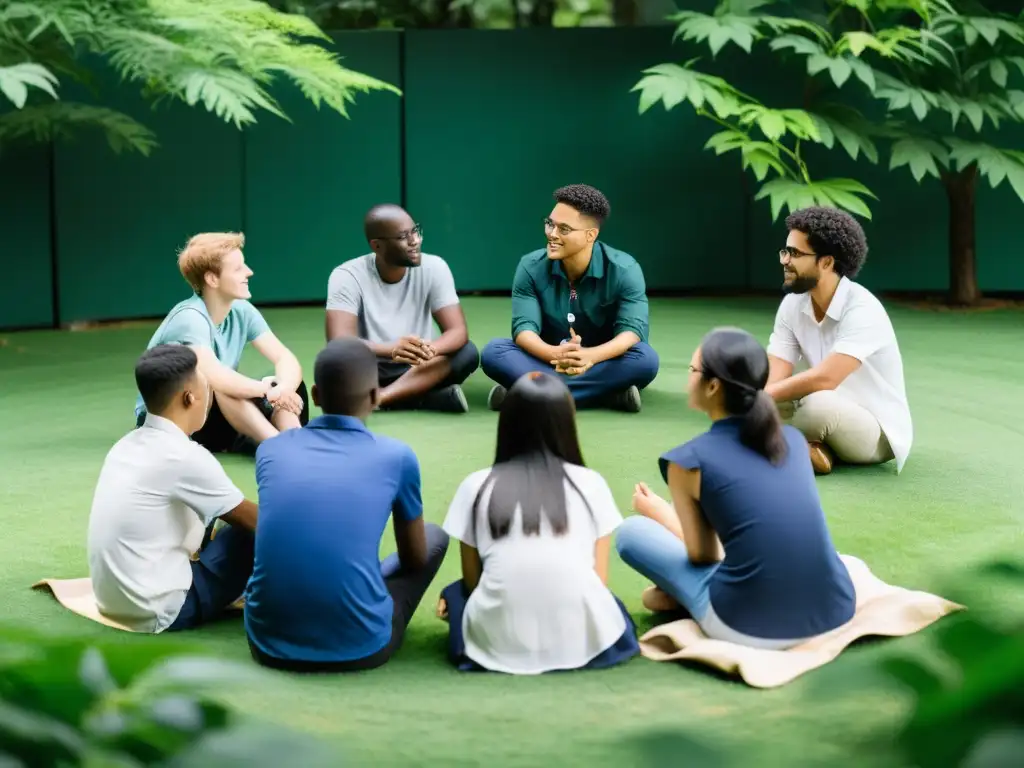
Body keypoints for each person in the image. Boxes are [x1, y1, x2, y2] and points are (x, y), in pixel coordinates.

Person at [615, 327, 857, 649]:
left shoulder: (687, 462)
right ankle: (678, 595)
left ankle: (681, 597)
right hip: (835, 609)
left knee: (632, 532)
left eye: (692, 370)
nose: (687, 377)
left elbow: (705, 555)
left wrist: (659, 512)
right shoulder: (796, 443)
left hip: (746, 622)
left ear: (713, 386)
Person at [244, 337, 450, 672]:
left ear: (314, 396)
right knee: (434, 537)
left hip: (267, 642)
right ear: (375, 396)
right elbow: (414, 559)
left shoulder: (271, 451)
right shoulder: (397, 456)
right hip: (360, 645)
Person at [436, 371, 640, 674]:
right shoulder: (591, 484)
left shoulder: (475, 486)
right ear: (567, 423)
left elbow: (472, 581)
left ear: (507, 423)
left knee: (456, 593)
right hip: (587, 639)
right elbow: (599, 580)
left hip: (495, 643)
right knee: (607, 605)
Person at [88, 344, 258, 633]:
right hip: (163, 610)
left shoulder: (125, 445)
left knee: (218, 515)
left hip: (111, 602)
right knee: (250, 535)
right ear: (190, 397)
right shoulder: (185, 456)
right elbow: (259, 523)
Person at [480, 184, 660, 413]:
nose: (552, 234)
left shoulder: (624, 269)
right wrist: (554, 353)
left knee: (645, 359)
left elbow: (632, 332)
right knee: (495, 351)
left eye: (564, 229)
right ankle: (608, 395)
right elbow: (524, 329)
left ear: (591, 235)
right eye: (549, 224)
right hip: (546, 358)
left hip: (600, 361)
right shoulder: (530, 266)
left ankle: (531, 394)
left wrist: (589, 357)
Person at [765, 207, 912, 475]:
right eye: (785, 251)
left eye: (795, 253)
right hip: (817, 406)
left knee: (817, 405)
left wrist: (757, 403)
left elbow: (826, 379)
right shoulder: (792, 304)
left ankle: (776, 442)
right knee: (760, 392)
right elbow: (777, 370)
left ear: (827, 262)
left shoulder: (863, 308)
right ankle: (814, 449)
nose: (785, 260)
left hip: (874, 432)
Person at [135, 232, 308, 456]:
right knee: (225, 385)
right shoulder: (190, 317)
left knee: (287, 382)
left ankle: (297, 440)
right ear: (212, 279)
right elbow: (216, 376)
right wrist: (268, 391)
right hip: (177, 421)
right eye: (238, 269)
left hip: (216, 412)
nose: (249, 272)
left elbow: (284, 358)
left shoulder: (241, 309)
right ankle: (280, 446)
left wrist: (282, 388)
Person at [325, 204, 479, 413]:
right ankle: (422, 397)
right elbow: (339, 341)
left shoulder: (435, 267)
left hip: (421, 364)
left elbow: (458, 331)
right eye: (402, 237)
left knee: (467, 352)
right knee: (335, 363)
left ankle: (381, 398)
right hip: (371, 366)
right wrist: (391, 349)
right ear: (376, 245)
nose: (415, 241)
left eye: (415, 231)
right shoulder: (346, 276)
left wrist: (429, 349)